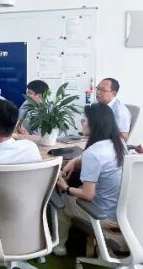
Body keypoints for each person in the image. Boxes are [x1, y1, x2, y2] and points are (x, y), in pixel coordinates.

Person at [53, 102, 125, 255]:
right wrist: (74, 161)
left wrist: (65, 187)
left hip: (105, 216)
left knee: (62, 201)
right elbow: (95, 158)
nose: (82, 124)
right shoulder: (119, 144)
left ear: (94, 124)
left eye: (83, 121)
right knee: (79, 185)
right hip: (123, 212)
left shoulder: (93, 153)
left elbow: (88, 195)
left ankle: (59, 247)